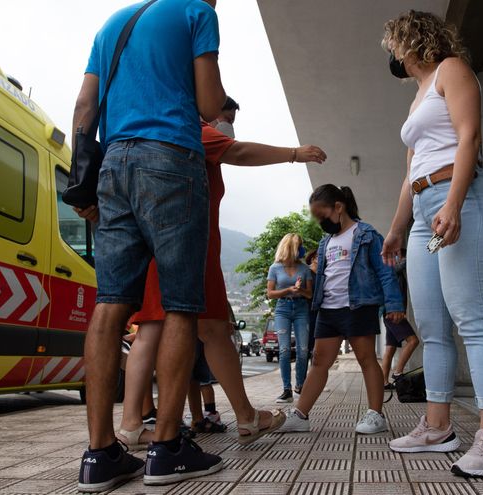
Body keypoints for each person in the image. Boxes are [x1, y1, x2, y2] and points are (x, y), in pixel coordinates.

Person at [113, 115, 327, 477]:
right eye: (226, 118)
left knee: (152, 328)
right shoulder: (192, 127)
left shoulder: (151, 128)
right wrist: (295, 153)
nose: (227, 125)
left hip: (155, 240)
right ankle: (230, 421)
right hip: (189, 242)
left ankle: (135, 424)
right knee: (213, 330)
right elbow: (238, 150)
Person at [71, 0, 228, 490]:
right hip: (171, 159)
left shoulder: (113, 23)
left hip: (113, 164)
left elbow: (83, 107)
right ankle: (166, 448)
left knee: (111, 304)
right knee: (180, 306)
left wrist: (82, 181)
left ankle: (99, 457)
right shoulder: (197, 13)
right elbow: (209, 105)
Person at [380, 11, 483, 478]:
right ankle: (437, 427)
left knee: (472, 320)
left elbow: (468, 137)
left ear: (408, 40)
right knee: (433, 327)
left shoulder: (452, 70)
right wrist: (397, 228)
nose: (391, 54)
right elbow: (409, 172)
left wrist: (453, 204)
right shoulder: (417, 99)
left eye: (392, 44)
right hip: (423, 214)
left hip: (464, 200)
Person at [280, 185, 406, 435]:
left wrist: (393, 304)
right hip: (328, 309)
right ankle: (300, 415)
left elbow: (385, 270)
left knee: (367, 359)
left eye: (322, 215)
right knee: (318, 362)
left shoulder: (366, 233)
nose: (320, 222)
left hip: (357, 306)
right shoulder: (326, 241)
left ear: (339, 207)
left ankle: (375, 415)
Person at [267, 234, 313, 403]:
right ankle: (286, 389)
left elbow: (310, 294)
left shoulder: (305, 269)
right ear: (291, 247)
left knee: (303, 350)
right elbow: (270, 293)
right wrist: (288, 290)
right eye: (300, 246)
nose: (302, 249)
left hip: (301, 308)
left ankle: (300, 385)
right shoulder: (275, 268)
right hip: (282, 309)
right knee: (284, 349)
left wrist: (299, 290)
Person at [380, 250, 420, 389]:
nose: (400, 260)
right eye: (399, 257)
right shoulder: (391, 270)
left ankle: (383, 383)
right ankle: (398, 372)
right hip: (393, 314)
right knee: (413, 341)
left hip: (390, 313)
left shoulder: (395, 272)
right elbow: (403, 264)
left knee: (390, 349)